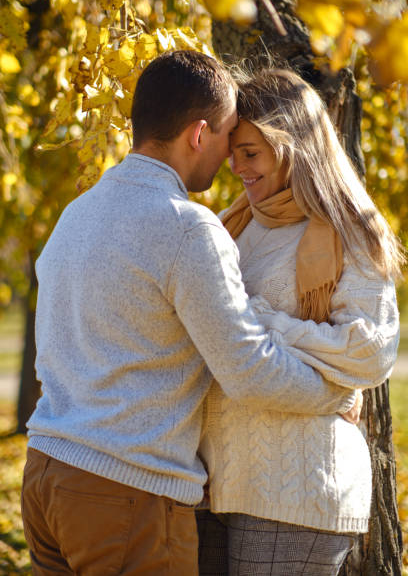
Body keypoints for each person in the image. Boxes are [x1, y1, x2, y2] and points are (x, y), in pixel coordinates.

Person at [21, 51, 359, 576]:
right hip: (126, 492)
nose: (231, 156)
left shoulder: (78, 214)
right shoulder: (188, 228)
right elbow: (248, 368)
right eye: (228, 135)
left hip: (45, 477)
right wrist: (333, 391)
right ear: (199, 134)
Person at [196, 67, 402, 576]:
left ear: (294, 144)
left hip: (299, 486)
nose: (239, 169)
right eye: (234, 154)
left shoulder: (350, 231)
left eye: (252, 153)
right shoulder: (232, 226)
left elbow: (369, 352)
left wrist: (264, 323)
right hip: (211, 479)